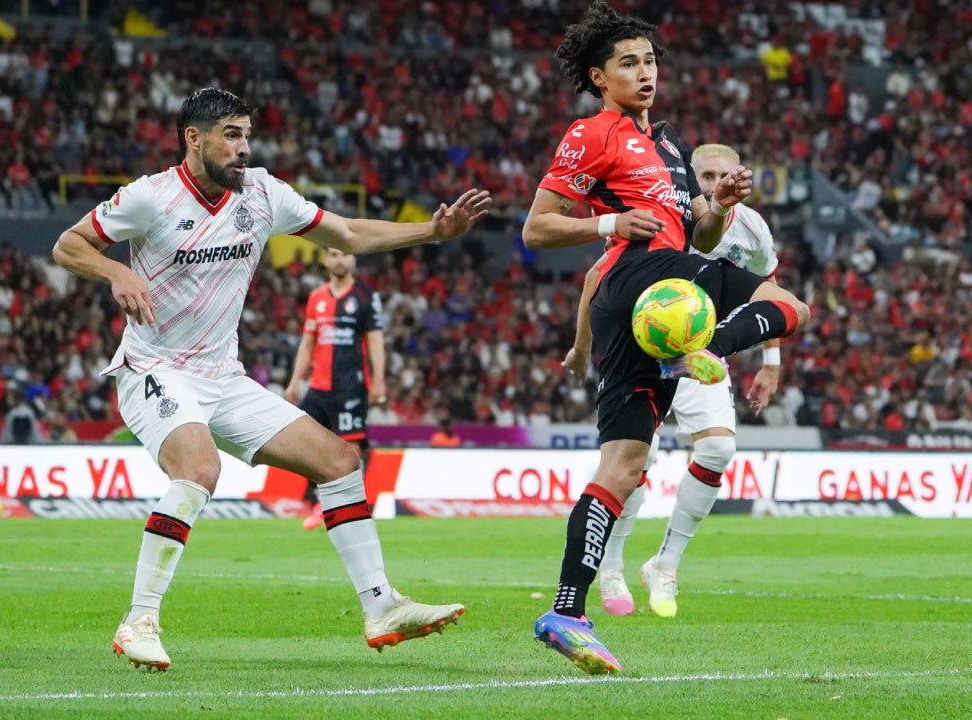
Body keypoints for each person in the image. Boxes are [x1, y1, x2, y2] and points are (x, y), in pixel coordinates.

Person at [52, 87, 490, 671]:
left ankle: (382, 606)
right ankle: (139, 620)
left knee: (339, 461)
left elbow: (349, 234)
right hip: (155, 369)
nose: (243, 148)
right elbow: (68, 244)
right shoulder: (148, 197)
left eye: (247, 136)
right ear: (194, 139)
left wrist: (430, 233)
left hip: (224, 377)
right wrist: (115, 272)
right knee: (199, 469)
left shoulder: (263, 193)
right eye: (231, 135)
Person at [522, 2, 809, 675]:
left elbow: (700, 237)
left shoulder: (672, 146)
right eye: (628, 63)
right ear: (600, 77)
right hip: (641, 277)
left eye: (649, 60)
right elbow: (537, 228)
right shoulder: (591, 132)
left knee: (622, 467)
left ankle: (565, 612)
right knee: (788, 304)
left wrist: (719, 205)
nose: (645, 72)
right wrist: (607, 224)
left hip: (656, 290)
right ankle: (701, 350)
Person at [562, 144, 786, 619]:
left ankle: (665, 564)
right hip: (648, 344)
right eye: (705, 176)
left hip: (702, 355)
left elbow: (769, 288)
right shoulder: (668, 215)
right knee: (635, 460)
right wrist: (581, 348)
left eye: (724, 175)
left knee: (718, 449)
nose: (714, 184)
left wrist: (771, 362)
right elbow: (598, 275)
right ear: (689, 181)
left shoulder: (753, 228)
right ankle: (612, 566)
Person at [285, 247, 386, 531]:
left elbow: (375, 340)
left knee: (351, 448)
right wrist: (295, 381)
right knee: (306, 443)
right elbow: (308, 342)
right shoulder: (316, 297)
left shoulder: (365, 297)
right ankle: (323, 499)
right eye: (333, 254)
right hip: (318, 386)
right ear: (327, 260)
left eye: (344, 254)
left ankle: (347, 505)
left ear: (353, 259)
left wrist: (379, 379)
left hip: (351, 385)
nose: (339, 260)